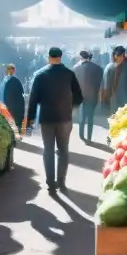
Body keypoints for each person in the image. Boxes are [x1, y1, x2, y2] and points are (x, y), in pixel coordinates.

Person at [26, 47, 83, 194]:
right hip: (65, 119)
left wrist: (30, 120)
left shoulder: (40, 75)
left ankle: (51, 183)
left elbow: (33, 100)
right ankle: (61, 181)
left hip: (47, 119)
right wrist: (71, 109)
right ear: (61, 57)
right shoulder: (69, 74)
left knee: (48, 151)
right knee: (63, 150)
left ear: (48, 57)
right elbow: (79, 97)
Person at [74, 50, 103, 143]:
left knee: (81, 116)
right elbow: (100, 83)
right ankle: (89, 137)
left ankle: (81, 136)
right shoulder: (98, 68)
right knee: (90, 117)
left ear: (81, 57)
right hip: (93, 96)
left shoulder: (75, 68)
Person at [0, 65, 25, 132]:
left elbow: (21, 92)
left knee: (12, 120)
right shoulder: (13, 80)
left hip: (12, 104)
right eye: (10, 69)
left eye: (12, 69)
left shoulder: (7, 81)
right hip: (11, 104)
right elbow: (22, 92)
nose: (11, 71)